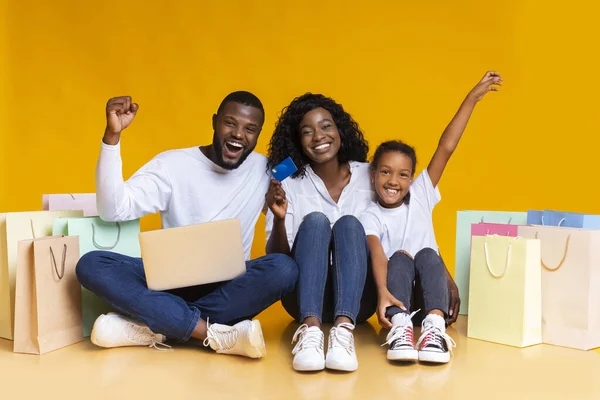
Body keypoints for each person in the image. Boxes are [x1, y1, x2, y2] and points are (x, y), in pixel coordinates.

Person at [76, 91, 298, 359]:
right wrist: (112, 137)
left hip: (228, 288)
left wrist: (281, 216)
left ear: (259, 134)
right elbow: (112, 210)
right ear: (215, 122)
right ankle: (211, 334)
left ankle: (157, 325)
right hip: (168, 282)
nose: (239, 134)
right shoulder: (172, 165)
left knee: (284, 268)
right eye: (230, 123)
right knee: (91, 264)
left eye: (250, 129)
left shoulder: (267, 169)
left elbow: (306, 160)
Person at [360, 71, 503, 364]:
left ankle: (434, 330)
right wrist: (383, 293)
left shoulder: (421, 196)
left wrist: (473, 98)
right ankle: (400, 330)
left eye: (402, 175)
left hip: (430, 299)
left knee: (427, 253)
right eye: (385, 172)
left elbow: (446, 147)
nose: (393, 181)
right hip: (395, 299)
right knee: (399, 257)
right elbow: (376, 253)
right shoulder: (369, 215)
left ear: (412, 180)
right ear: (373, 174)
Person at [265, 94, 376, 372]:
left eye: (326, 126)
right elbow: (277, 261)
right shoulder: (287, 183)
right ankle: (311, 332)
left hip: (359, 300)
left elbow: (405, 221)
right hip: (303, 300)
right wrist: (279, 221)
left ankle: (342, 334)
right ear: (297, 141)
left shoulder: (370, 175)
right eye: (307, 131)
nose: (318, 136)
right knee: (315, 221)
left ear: (340, 130)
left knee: (349, 223)